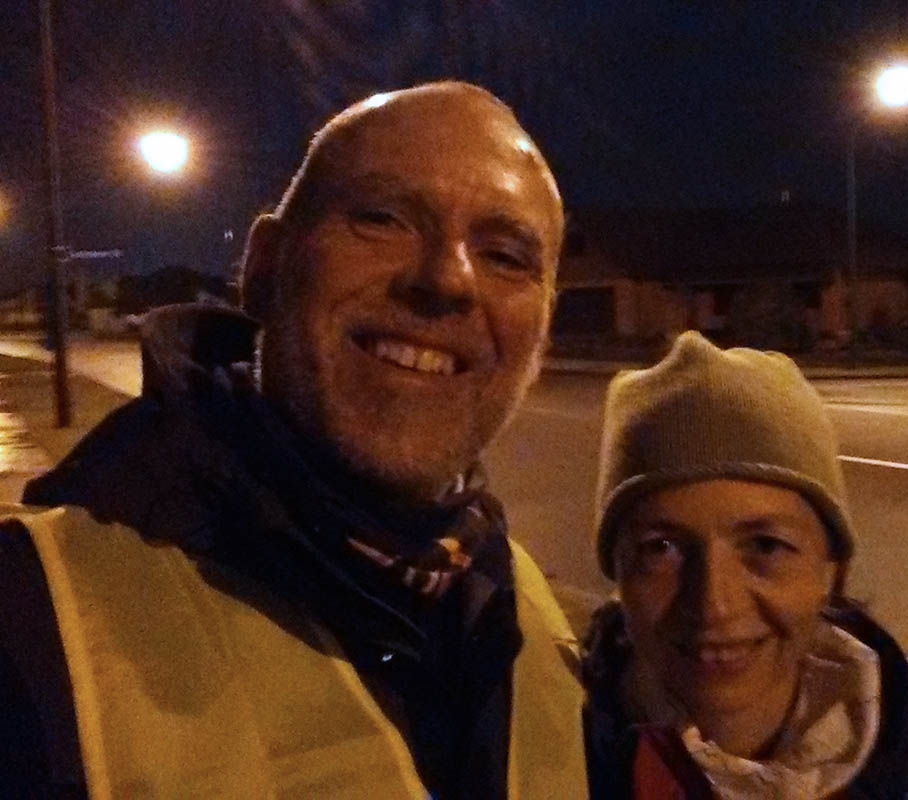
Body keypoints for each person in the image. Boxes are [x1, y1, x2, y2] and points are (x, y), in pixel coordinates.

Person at [0, 81, 587, 798]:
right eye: (383, 218)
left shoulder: (529, 612)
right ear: (265, 267)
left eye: (506, 256)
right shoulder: (33, 621)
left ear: (543, 330)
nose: (447, 278)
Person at [583, 331, 908, 798]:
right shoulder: (554, 753)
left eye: (765, 546)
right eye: (660, 548)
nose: (714, 605)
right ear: (618, 573)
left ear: (831, 570)